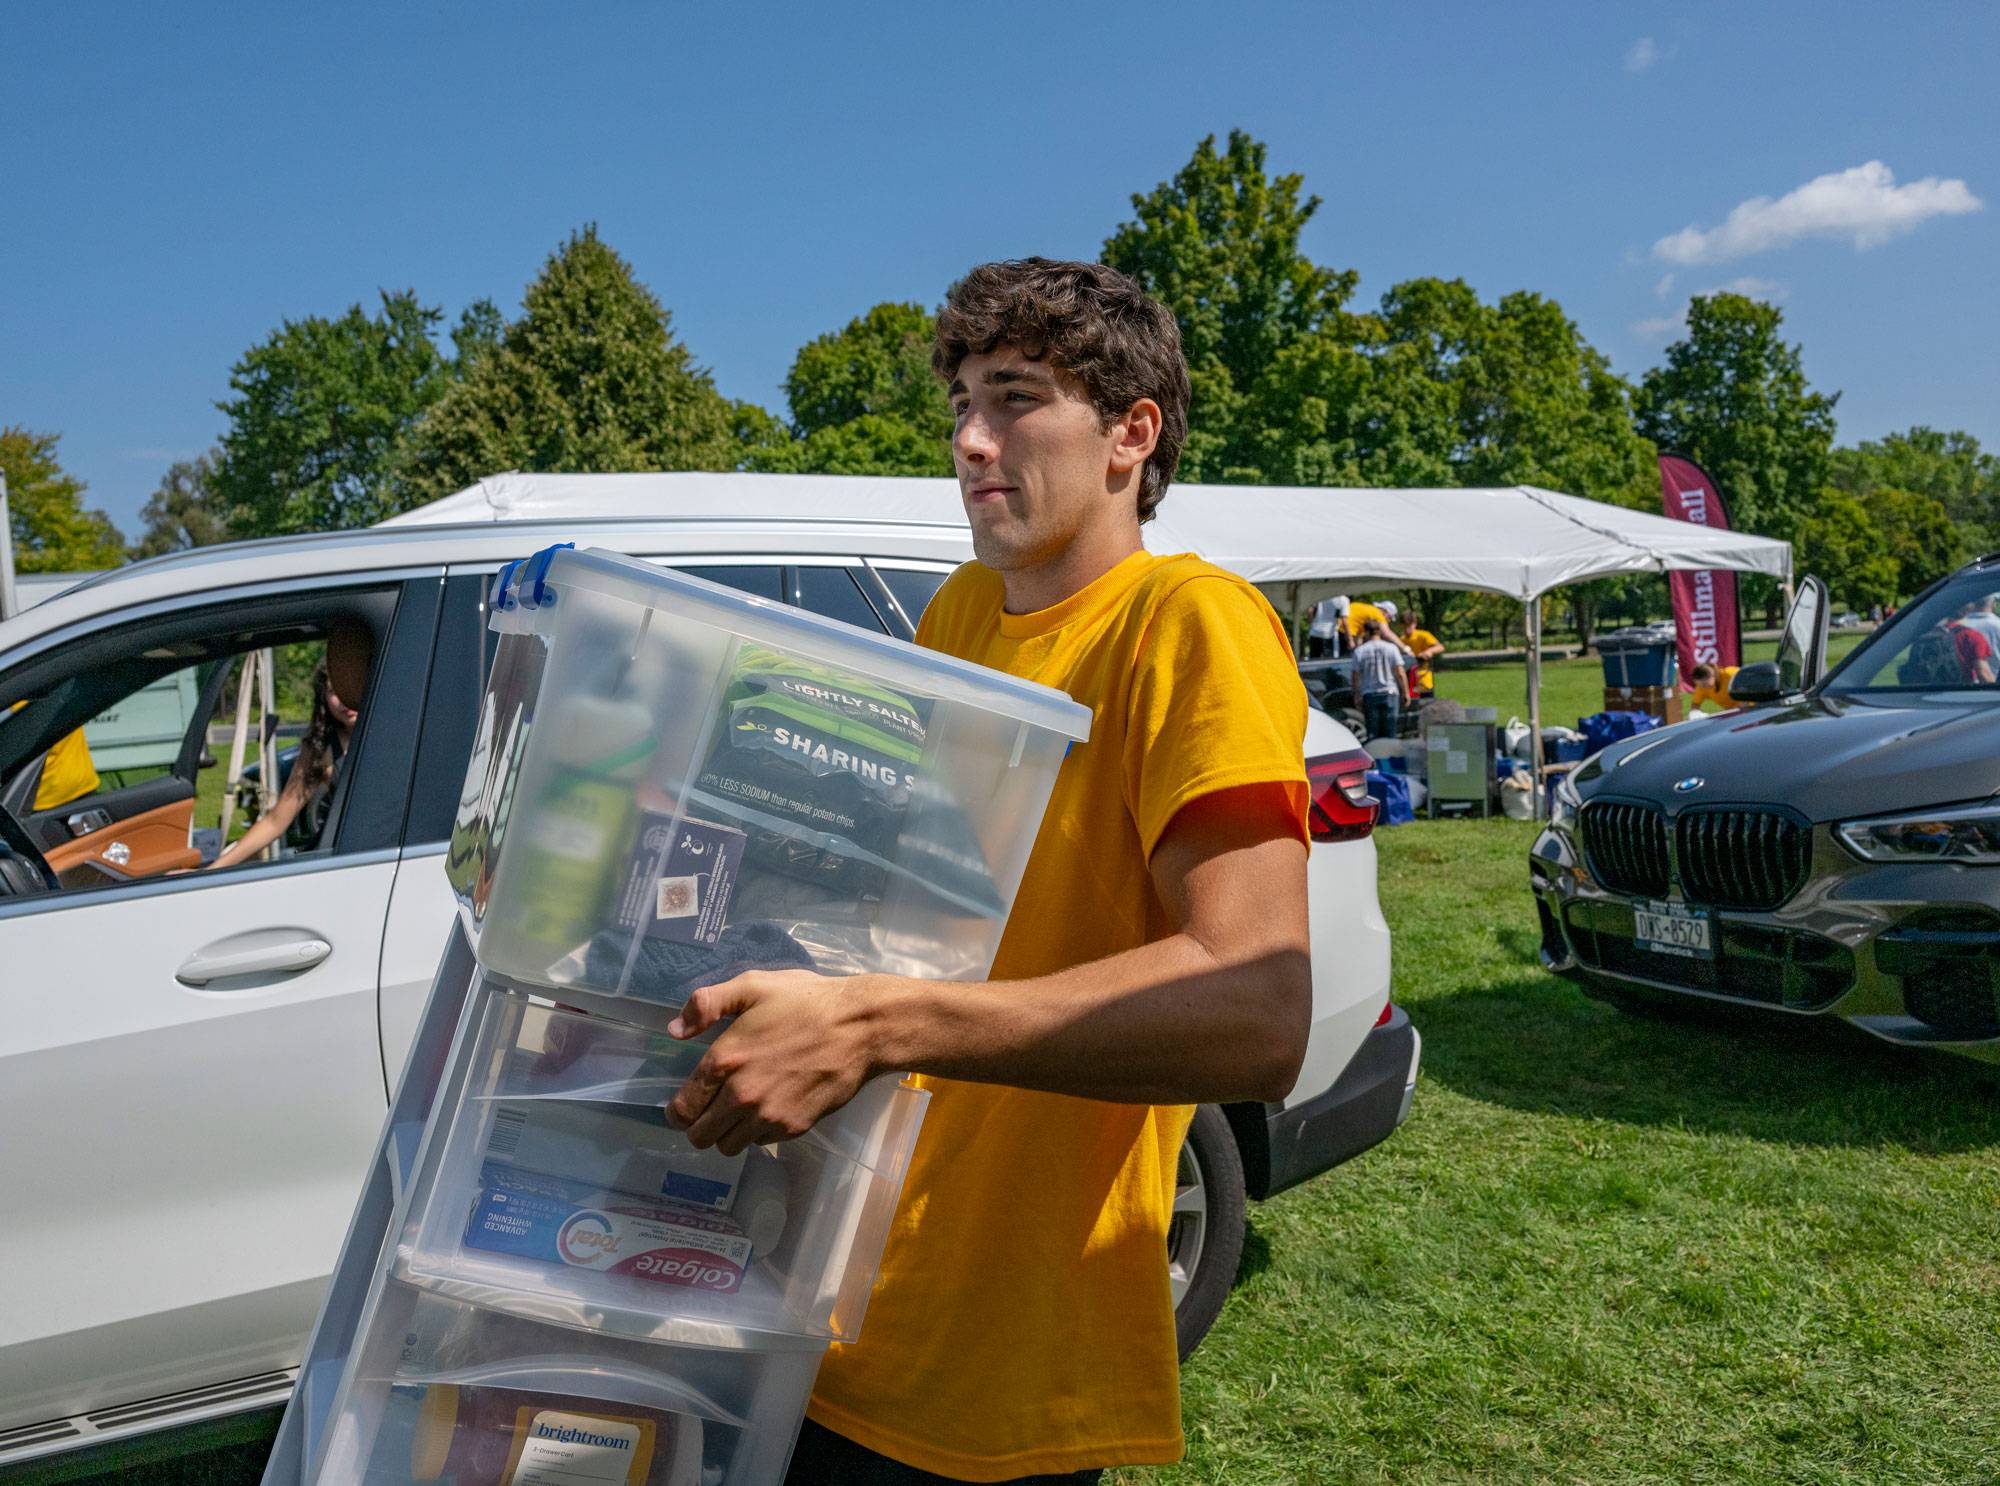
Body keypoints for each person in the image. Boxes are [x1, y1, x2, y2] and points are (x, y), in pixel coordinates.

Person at [660, 259, 1312, 1484]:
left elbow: (1259, 1003)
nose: (968, 441)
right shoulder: (961, 613)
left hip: (992, 1370)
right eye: (959, 403)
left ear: (1131, 434)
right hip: (835, 1294)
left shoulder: (1187, 623)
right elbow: (908, 894)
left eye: (1013, 399)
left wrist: (880, 1023)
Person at [208, 619, 373, 870]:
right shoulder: (319, 750)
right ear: (322, 697)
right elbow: (275, 820)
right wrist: (213, 869)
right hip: (343, 865)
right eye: (332, 690)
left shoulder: (400, 733)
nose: (343, 699)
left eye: (351, 685)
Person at [1351, 616, 1405, 741]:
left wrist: (1356, 695)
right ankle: (1390, 758)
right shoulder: (1391, 648)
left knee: (1373, 734)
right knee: (1390, 732)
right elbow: (1400, 672)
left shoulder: (1360, 651)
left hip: (1370, 694)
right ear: (1379, 631)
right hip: (1389, 692)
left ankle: (1376, 758)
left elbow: (1355, 677)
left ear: (1366, 632)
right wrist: (1405, 692)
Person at [1397, 609, 1444, 697]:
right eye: (1405, 626)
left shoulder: (1423, 635)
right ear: (1401, 625)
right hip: (1408, 680)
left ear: (1415, 624)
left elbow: (1440, 647)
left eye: (1410, 625)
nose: (1408, 629)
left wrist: (1429, 651)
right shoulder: (1401, 640)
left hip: (1423, 679)